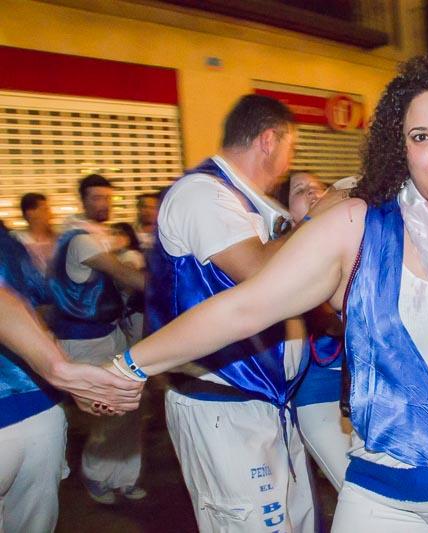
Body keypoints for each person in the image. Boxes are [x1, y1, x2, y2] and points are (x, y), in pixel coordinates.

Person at [111, 52, 428, 533]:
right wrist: (127, 367)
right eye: (420, 136)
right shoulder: (359, 228)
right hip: (382, 487)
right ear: (403, 150)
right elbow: (246, 306)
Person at [147, 94, 313, 533]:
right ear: (268, 140)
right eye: (291, 147)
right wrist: (318, 223)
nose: (289, 163)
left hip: (265, 401)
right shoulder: (201, 194)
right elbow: (260, 270)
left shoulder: (252, 202)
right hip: (223, 405)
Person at [0, 224, 142, 533]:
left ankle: (115, 476)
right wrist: (58, 368)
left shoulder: (10, 242)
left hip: (35, 408)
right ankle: (99, 475)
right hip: (36, 408)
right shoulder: (21, 242)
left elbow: (22, 304)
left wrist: (58, 369)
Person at [48, 173, 147, 504]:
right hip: (85, 340)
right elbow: (123, 274)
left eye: (107, 197)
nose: (104, 204)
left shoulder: (95, 236)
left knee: (130, 405)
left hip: (110, 333)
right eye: (96, 198)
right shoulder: (79, 240)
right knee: (108, 411)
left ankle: (124, 477)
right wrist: (172, 292)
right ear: (83, 200)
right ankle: (96, 475)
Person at [278, 171, 352, 491]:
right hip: (319, 390)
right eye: (300, 190)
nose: (312, 193)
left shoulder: (353, 237)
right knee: (353, 489)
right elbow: (329, 322)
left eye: (318, 188)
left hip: (365, 388)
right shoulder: (282, 255)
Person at [112, 222, 146, 344]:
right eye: (112, 234)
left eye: (119, 234)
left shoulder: (131, 255)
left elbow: (126, 281)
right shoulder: (117, 256)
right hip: (126, 309)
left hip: (132, 309)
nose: (115, 237)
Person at [12, 192, 57, 274]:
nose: (50, 215)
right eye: (45, 210)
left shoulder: (57, 241)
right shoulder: (17, 240)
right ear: (30, 213)